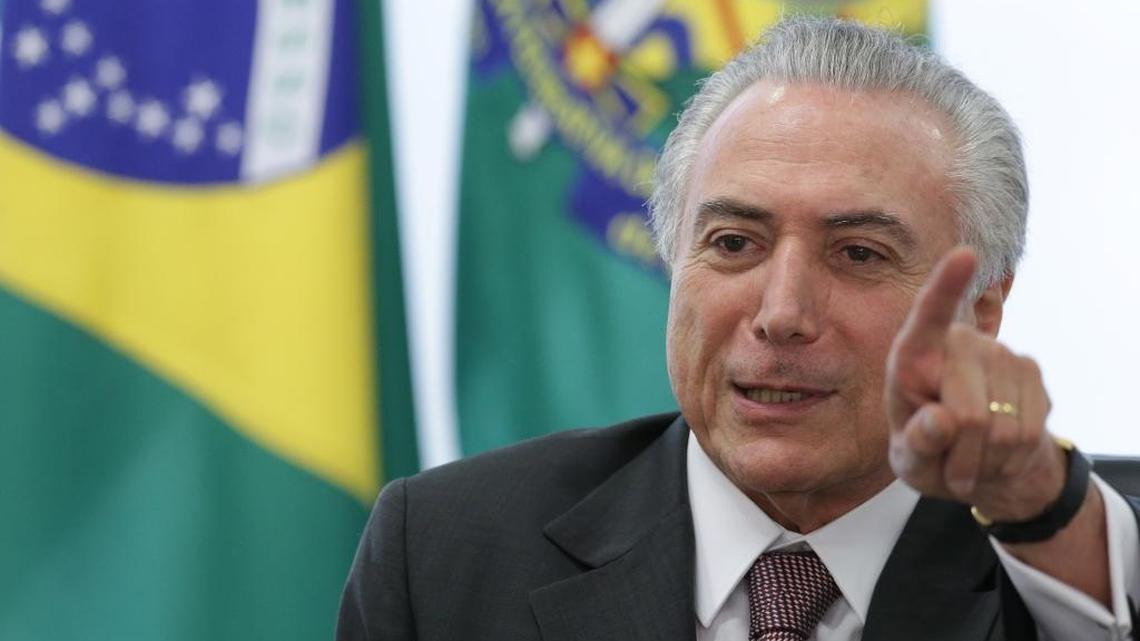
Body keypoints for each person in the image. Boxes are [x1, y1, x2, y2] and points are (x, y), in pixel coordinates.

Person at [337, 17, 1139, 641]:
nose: (782, 312)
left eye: (858, 253)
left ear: (982, 314)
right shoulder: (448, 553)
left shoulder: (1076, 547)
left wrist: (1044, 514)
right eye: (733, 244)